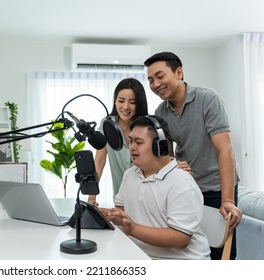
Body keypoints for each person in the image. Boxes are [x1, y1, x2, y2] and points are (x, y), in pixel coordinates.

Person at [144, 51, 242, 260]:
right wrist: (174, 165)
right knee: (192, 249)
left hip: (217, 185)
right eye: (151, 80)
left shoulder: (208, 99)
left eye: (160, 76)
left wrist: (227, 200)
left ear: (179, 72)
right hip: (189, 187)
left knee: (220, 250)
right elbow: (167, 157)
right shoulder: (161, 111)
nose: (155, 84)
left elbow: (225, 150)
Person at [101, 115, 211, 260]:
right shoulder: (129, 175)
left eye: (139, 142)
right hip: (140, 256)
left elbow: (181, 238)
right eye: (131, 141)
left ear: (159, 146)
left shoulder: (181, 182)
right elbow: (123, 213)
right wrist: (111, 216)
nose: (132, 147)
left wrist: (133, 229)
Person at [88, 78, 148, 206]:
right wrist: (91, 198)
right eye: (121, 101)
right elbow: (99, 161)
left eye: (132, 102)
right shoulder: (107, 124)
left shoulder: (149, 127)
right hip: (120, 199)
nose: (126, 107)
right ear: (115, 101)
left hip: (147, 198)